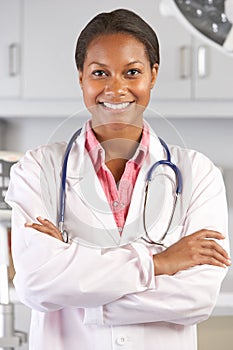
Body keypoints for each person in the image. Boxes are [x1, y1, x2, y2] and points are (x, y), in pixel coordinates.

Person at [6, 8, 231, 350]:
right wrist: (160, 263)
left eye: (132, 72)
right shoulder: (38, 169)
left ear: (152, 76)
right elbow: (37, 283)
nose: (116, 88)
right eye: (100, 73)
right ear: (81, 77)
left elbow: (196, 296)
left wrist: (76, 286)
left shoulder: (198, 174)